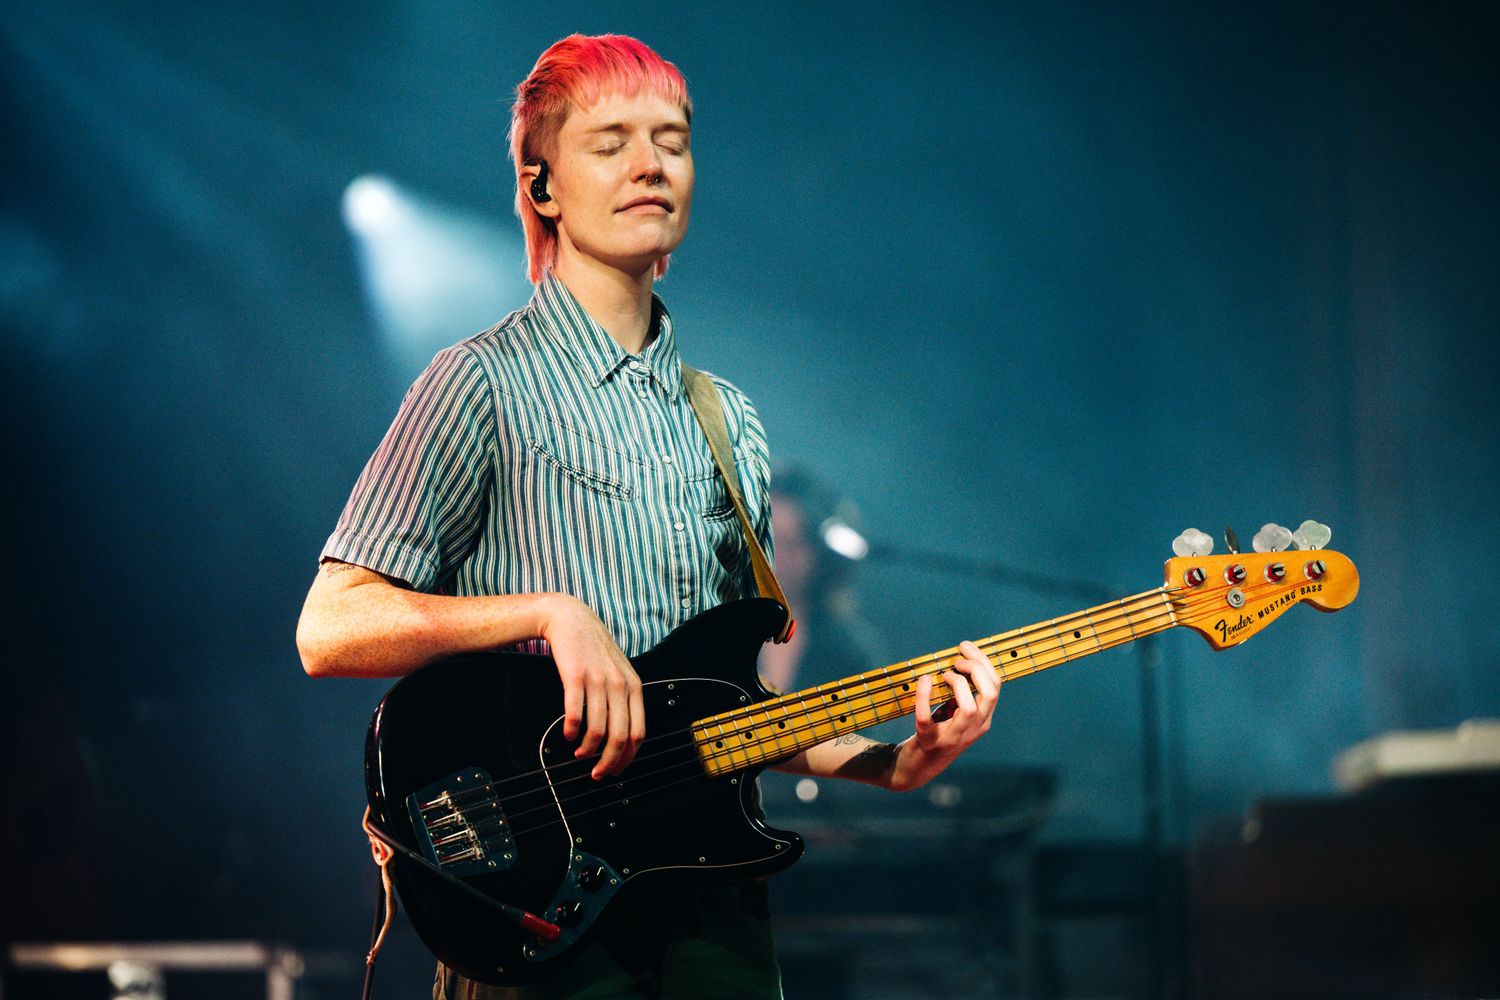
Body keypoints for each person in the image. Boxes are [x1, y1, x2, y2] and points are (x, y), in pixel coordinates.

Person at [296, 33, 1000, 1000]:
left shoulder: (728, 419)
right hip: (542, 910)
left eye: (672, 140)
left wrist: (892, 763)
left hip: (714, 918)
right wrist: (549, 614)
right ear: (543, 186)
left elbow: (728, 708)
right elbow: (330, 627)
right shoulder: (480, 382)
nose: (651, 164)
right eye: (611, 141)